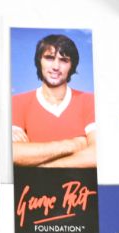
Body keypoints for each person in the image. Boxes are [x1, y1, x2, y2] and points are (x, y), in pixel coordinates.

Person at [11, 34, 96, 168]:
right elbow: (14, 154)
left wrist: (38, 165)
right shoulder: (17, 102)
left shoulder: (89, 101)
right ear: (39, 61)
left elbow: (96, 155)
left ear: (72, 65)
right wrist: (74, 144)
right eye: (49, 58)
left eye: (64, 60)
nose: (56, 66)